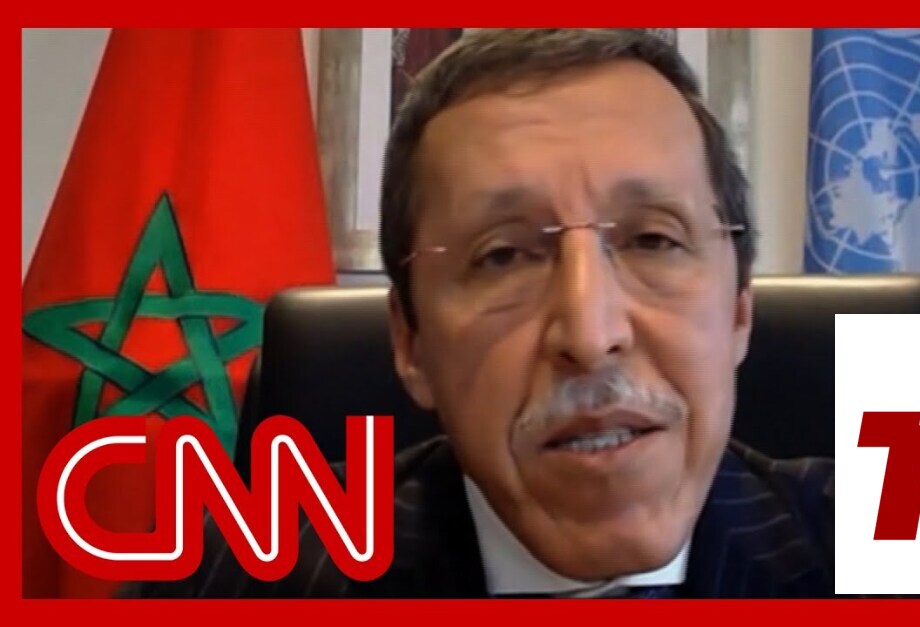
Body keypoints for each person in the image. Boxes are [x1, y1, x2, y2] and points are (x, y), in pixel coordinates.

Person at [121, 27, 835, 599]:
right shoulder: (221, 585)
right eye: (503, 256)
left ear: (739, 308)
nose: (591, 336)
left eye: (653, 240)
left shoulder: (890, 548)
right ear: (410, 343)